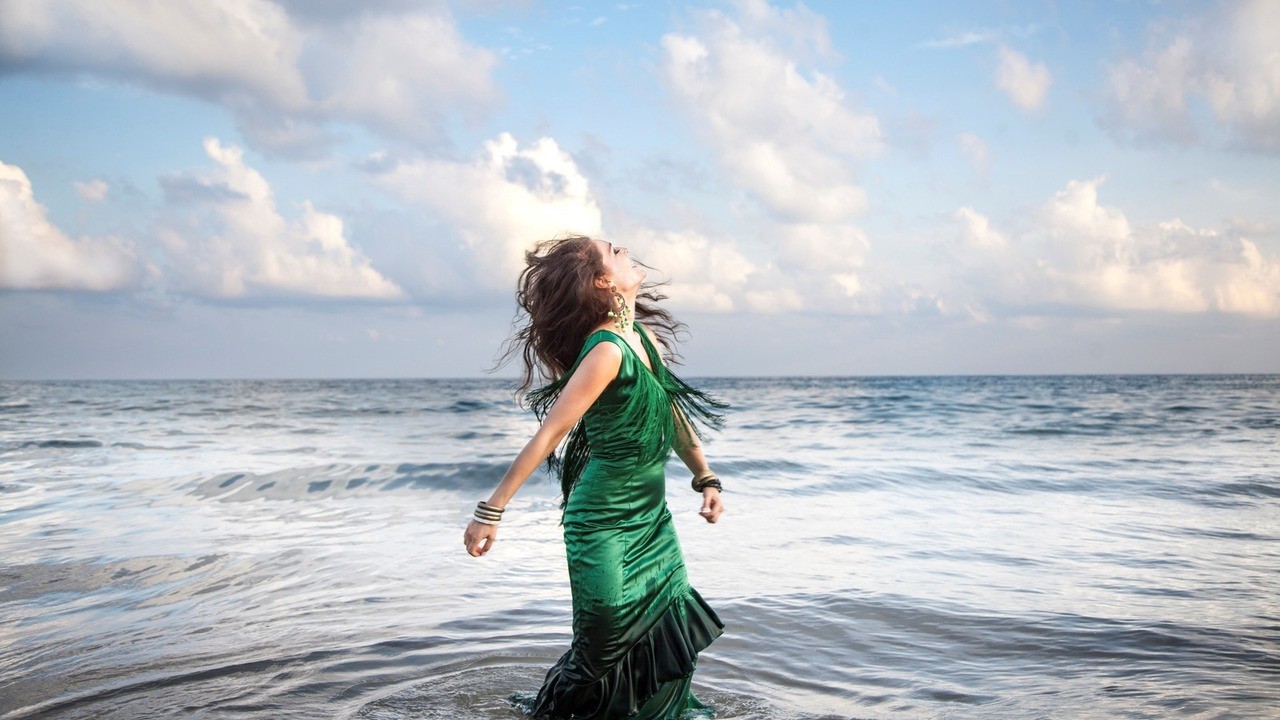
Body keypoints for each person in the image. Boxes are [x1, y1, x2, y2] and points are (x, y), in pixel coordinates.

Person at [462, 235, 729, 719]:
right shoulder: (605, 351)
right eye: (615, 250)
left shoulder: (646, 341)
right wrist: (491, 510)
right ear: (603, 281)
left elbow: (672, 417)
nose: (627, 251)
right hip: (601, 523)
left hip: (653, 523)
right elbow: (550, 436)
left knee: (665, 627)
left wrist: (705, 477)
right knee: (603, 641)